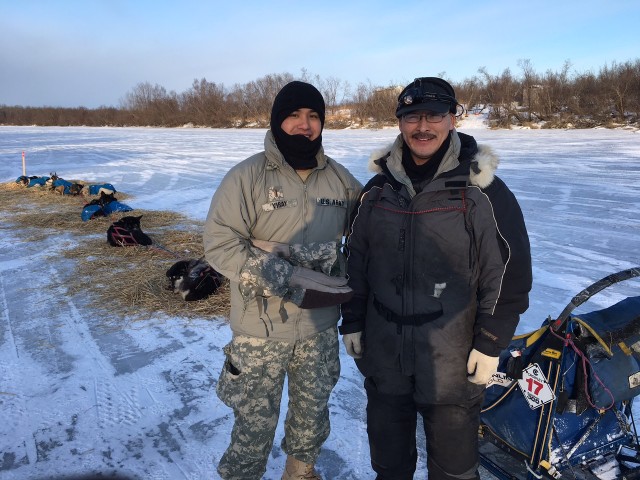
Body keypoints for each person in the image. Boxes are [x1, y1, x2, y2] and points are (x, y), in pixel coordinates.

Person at [340, 77, 532, 480]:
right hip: (385, 354)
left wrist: (491, 340)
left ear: (453, 120)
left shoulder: (482, 192)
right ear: (399, 123)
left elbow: (510, 272)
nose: (423, 126)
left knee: (454, 471)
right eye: (412, 116)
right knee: (390, 467)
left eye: (435, 115)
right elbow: (356, 261)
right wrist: (353, 321)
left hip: (452, 360)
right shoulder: (377, 191)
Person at [203, 80, 362, 480]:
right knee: (252, 428)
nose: (304, 125)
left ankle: (300, 472)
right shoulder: (246, 177)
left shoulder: (340, 181)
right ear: (277, 121)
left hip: (319, 328)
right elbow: (221, 243)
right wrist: (282, 272)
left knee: (311, 417)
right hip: (260, 329)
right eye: (293, 115)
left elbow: (368, 236)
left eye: (313, 117)